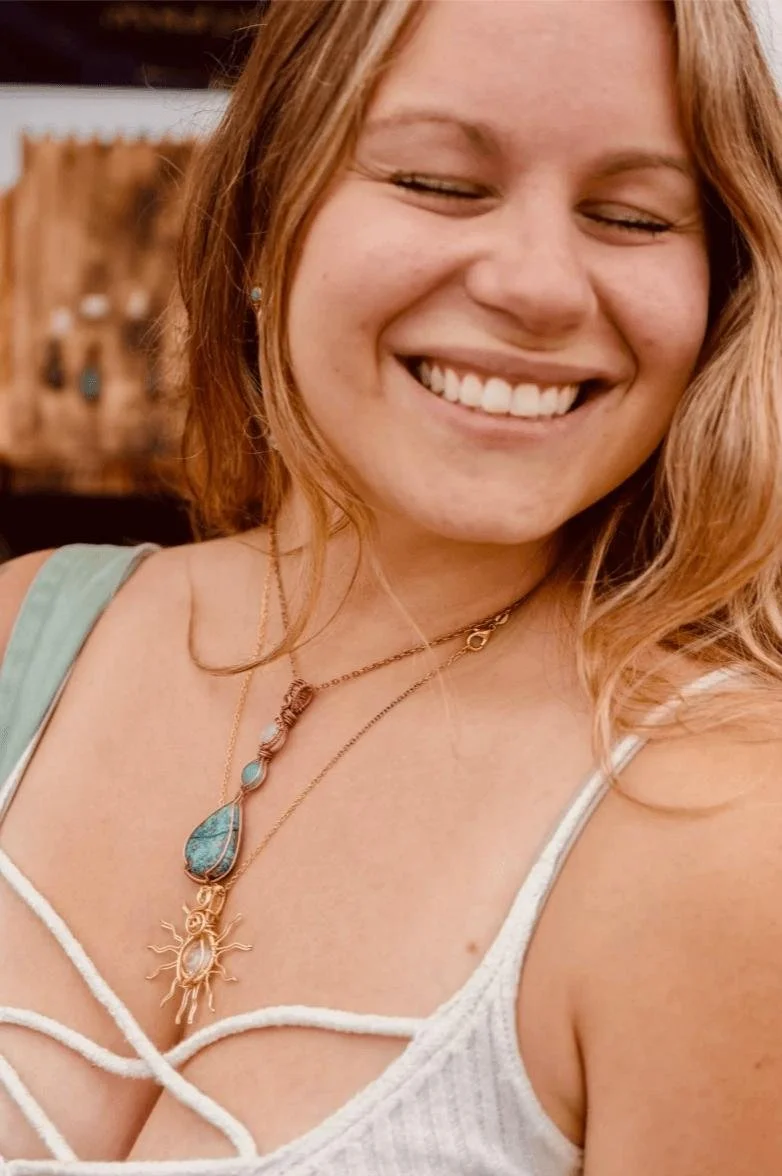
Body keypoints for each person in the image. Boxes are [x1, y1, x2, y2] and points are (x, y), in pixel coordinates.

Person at [2, 0, 782, 1170]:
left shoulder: (725, 842)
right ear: (267, 211)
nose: (535, 286)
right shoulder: (25, 628)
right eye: (436, 183)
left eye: (628, 215)